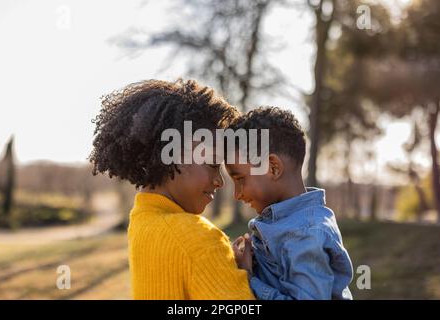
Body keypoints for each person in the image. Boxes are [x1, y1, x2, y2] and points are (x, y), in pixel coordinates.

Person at [89, 79, 255, 299]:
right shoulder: (197, 238)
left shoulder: (141, 221)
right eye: (213, 165)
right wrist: (248, 277)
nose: (220, 181)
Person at [226, 106, 354, 300]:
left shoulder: (307, 233)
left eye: (240, 179)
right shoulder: (288, 225)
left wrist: (248, 278)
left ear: (273, 168)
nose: (236, 194)